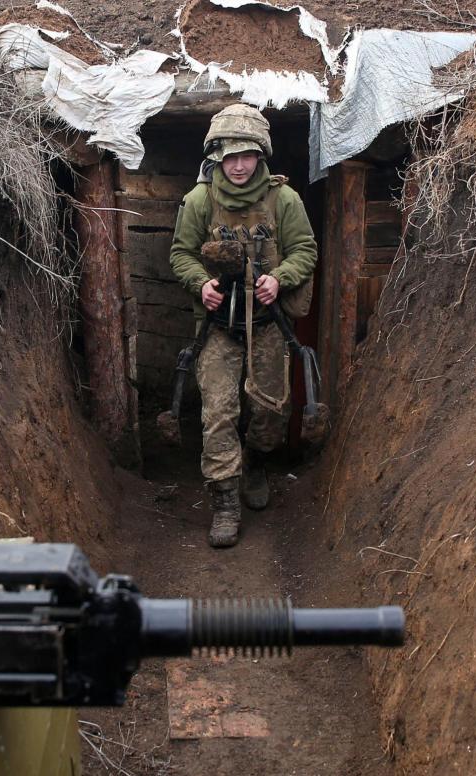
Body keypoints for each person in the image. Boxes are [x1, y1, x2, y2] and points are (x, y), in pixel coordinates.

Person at [168, 103, 318, 548]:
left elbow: (305, 250)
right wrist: (201, 285)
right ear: (216, 155)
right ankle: (225, 502)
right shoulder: (199, 200)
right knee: (217, 415)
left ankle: (255, 462)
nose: (237, 165)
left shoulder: (283, 200)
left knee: (271, 414)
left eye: (246, 155)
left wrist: (280, 277)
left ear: (260, 156)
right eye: (229, 156)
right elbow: (181, 254)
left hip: (269, 324)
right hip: (218, 326)